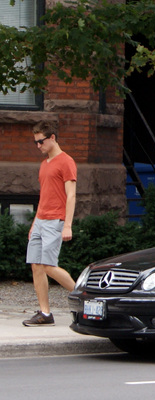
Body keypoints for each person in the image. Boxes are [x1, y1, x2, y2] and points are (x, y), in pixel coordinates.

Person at [23, 121, 77, 326]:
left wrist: (67, 225)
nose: (38, 146)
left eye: (41, 141)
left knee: (48, 265)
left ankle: (85, 295)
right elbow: (44, 195)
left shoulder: (66, 162)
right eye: (36, 142)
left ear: (52, 137)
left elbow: (71, 196)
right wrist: (34, 223)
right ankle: (45, 314)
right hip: (40, 221)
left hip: (56, 220)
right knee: (36, 265)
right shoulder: (44, 164)